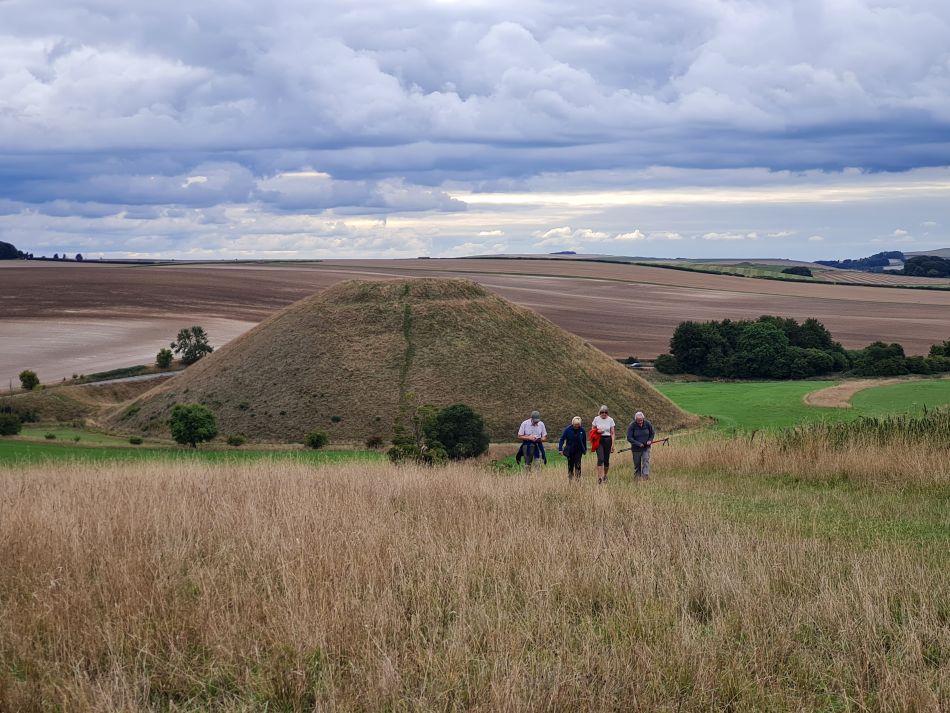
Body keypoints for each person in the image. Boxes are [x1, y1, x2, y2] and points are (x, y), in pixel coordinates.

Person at [626, 411, 655, 481]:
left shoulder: (647, 424)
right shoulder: (632, 426)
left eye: (641, 420)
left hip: (646, 448)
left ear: (643, 419)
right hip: (636, 449)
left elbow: (652, 433)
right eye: (638, 420)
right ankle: (637, 477)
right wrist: (638, 444)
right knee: (637, 464)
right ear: (635, 419)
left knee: (646, 461)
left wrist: (650, 440)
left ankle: (645, 477)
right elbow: (629, 438)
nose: (640, 422)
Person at [591, 405, 615, 484]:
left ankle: (605, 475)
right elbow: (592, 430)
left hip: (608, 440)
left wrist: (613, 444)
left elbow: (612, 433)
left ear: (607, 413)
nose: (604, 414)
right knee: (600, 459)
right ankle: (599, 477)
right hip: (599, 440)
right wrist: (597, 431)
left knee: (606, 460)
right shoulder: (596, 419)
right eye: (602, 412)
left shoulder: (610, 420)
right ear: (599, 412)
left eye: (605, 412)